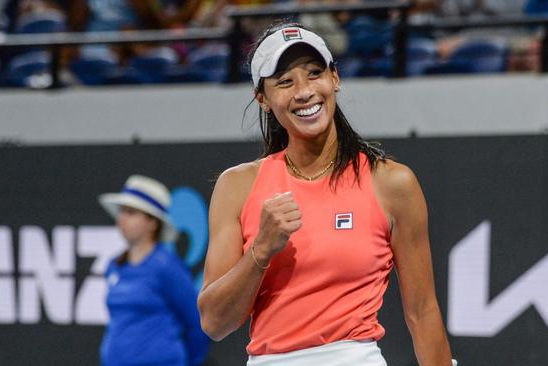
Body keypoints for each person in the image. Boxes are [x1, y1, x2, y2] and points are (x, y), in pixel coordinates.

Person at [197, 22, 455, 365]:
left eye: (314, 73)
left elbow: (422, 312)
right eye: (285, 82)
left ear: (335, 78)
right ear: (263, 98)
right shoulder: (237, 186)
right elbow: (214, 323)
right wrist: (261, 250)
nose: (304, 92)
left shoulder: (392, 183)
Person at [98, 175, 208, 366]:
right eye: (121, 211)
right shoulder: (114, 265)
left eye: (131, 212)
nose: (121, 218)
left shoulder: (167, 267)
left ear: (152, 223)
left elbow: (196, 325)